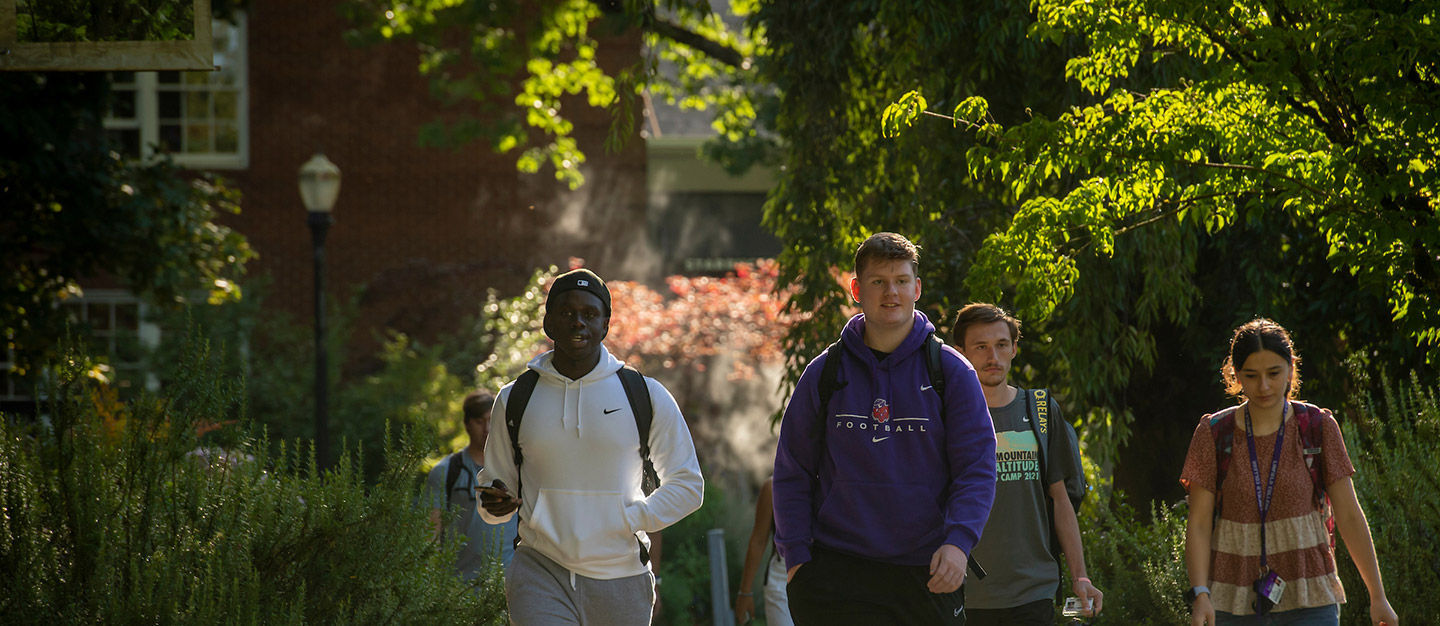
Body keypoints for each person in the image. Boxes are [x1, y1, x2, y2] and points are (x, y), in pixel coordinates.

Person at [773, 232, 997, 626]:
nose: (890, 292)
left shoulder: (950, 372)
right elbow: (792, 473)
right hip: (835, 572)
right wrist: (796, 561)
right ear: (857, 289)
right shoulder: (824, 373)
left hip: (926, 572)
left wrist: (959, 542)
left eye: (901, 281)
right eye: (878, 282)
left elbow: (976, 469)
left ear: (917, 288)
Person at [477, 268, 704, 626]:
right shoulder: (515, 398)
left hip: (622, 575)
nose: (578, 322)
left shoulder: (645, 395)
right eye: (566, 313)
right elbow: (494, 496)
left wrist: (630, 518)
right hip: (540, 571)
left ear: (606, 325)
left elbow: (688, 486)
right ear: (548, 322)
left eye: (589, 314)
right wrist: (494, 502)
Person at [1180, 319, 1399, 626]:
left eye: (1273, 373)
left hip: (1311, 599)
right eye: (1251, 376)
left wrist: (1378, 597)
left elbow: (1349, 515)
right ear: (1236, 375)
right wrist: (1201, 594)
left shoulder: (1318, 428)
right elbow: (1200, 523)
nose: (1264, 386)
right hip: (1232, 602)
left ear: (1291, 370)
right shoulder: (1214, 433)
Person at [949, 303, 1102, 624]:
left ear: (1015, 348)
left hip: (1034, 590)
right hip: (963, 591)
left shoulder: (1041, 411)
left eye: (1002, 345)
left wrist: (1081, 578)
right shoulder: (945, 416)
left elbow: (1061, 501)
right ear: (959, 353)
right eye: (981, 347)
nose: (993, 356)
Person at [424, 388, 518, 578]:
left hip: (508, 585)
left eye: (491, 420)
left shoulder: (516, 469)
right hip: (458, 587)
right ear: (467, 424)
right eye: (479, 421)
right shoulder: (446, 471)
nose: (486, 428)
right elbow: (430, 532)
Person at [734, 477, 792, 626]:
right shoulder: (772, 487)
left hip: (821, 583)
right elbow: (758, 540)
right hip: (780, 584)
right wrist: (745, 591)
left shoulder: (829, 483)